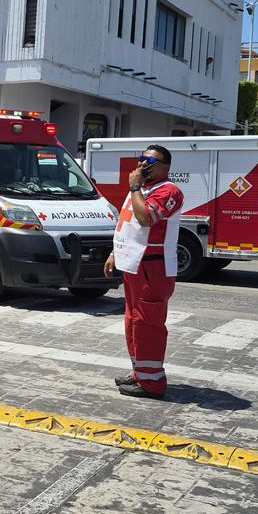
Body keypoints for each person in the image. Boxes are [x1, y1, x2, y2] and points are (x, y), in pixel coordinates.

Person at [103, 144, 184, 399]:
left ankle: (152, 382)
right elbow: (127, 226)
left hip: (153, 268)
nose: (143, 164)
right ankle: (140, 373)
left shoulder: (168, 191)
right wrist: (115, 253)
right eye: (141, 159)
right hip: (134, 265)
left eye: (151, 161)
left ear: (165, 167)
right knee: (133, 322)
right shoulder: (140, 190)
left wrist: (136, 187)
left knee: (147, 323)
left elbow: (146, 218)